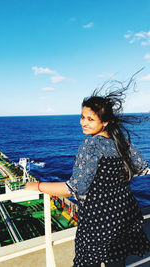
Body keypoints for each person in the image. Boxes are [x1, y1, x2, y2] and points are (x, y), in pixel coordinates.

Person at [25, 79, 150, 267]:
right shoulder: (120, 141)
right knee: (116, 262)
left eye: (90, 119)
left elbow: (75, 188)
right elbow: (141, 167)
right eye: (82, 117)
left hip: (99, 219)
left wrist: (37, 185)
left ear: (105, 122)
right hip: (125, 212)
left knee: (86, 262)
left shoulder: (91, 145)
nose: (83, 122)